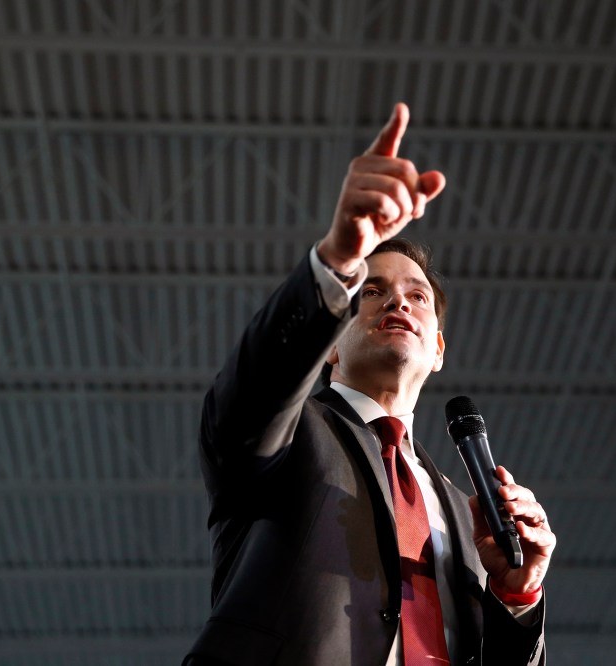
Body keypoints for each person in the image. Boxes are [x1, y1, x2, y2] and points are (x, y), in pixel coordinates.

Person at [183, 103, 556, 665]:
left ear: (437, 351)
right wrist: (338, 260)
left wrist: (517, 594)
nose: (398, 300)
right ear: (331, 341)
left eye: (417, 295)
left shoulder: (464, 512)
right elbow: (249, 396)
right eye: (373, 291)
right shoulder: (286, 434)